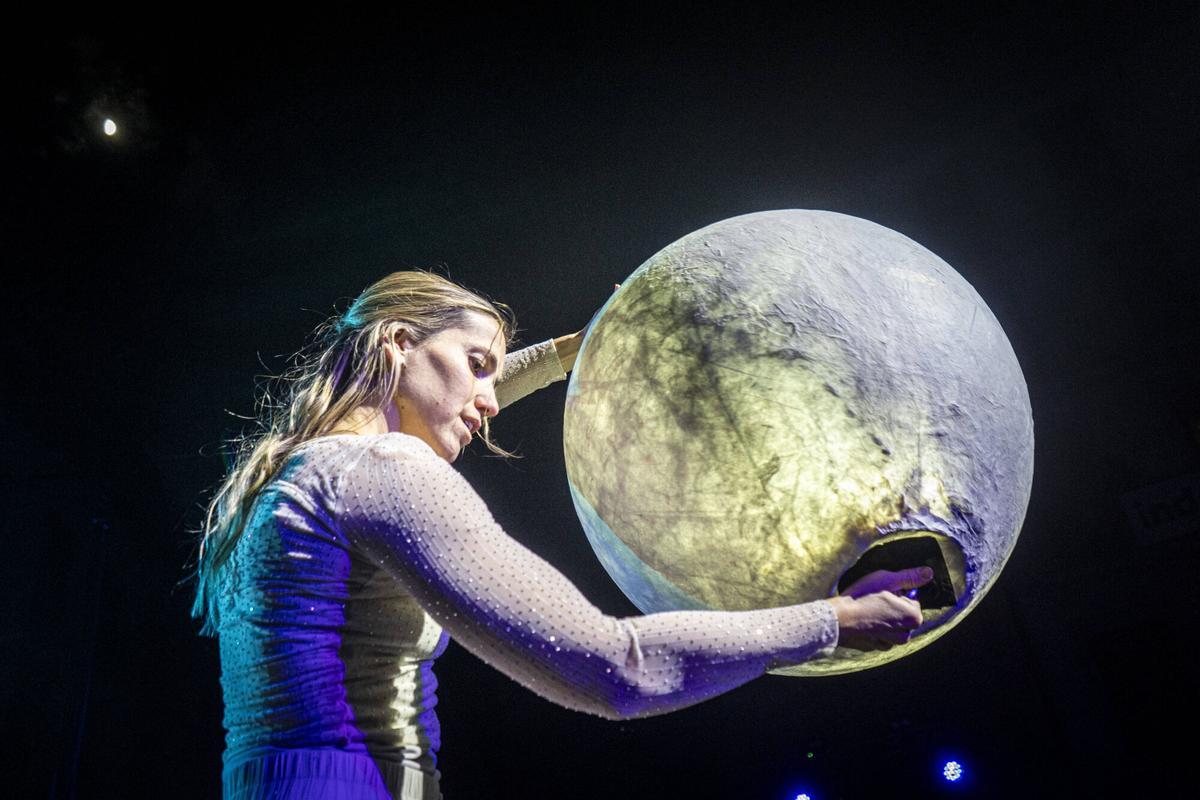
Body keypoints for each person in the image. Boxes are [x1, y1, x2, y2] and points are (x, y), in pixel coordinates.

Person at [192, 270, 929, 800]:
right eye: (477, 366)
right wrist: (829, 622)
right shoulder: (386, 469)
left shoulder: (300, 470)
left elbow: (459, 392)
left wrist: (579, 349)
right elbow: (618, 669)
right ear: (395, 344)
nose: (488, 399)